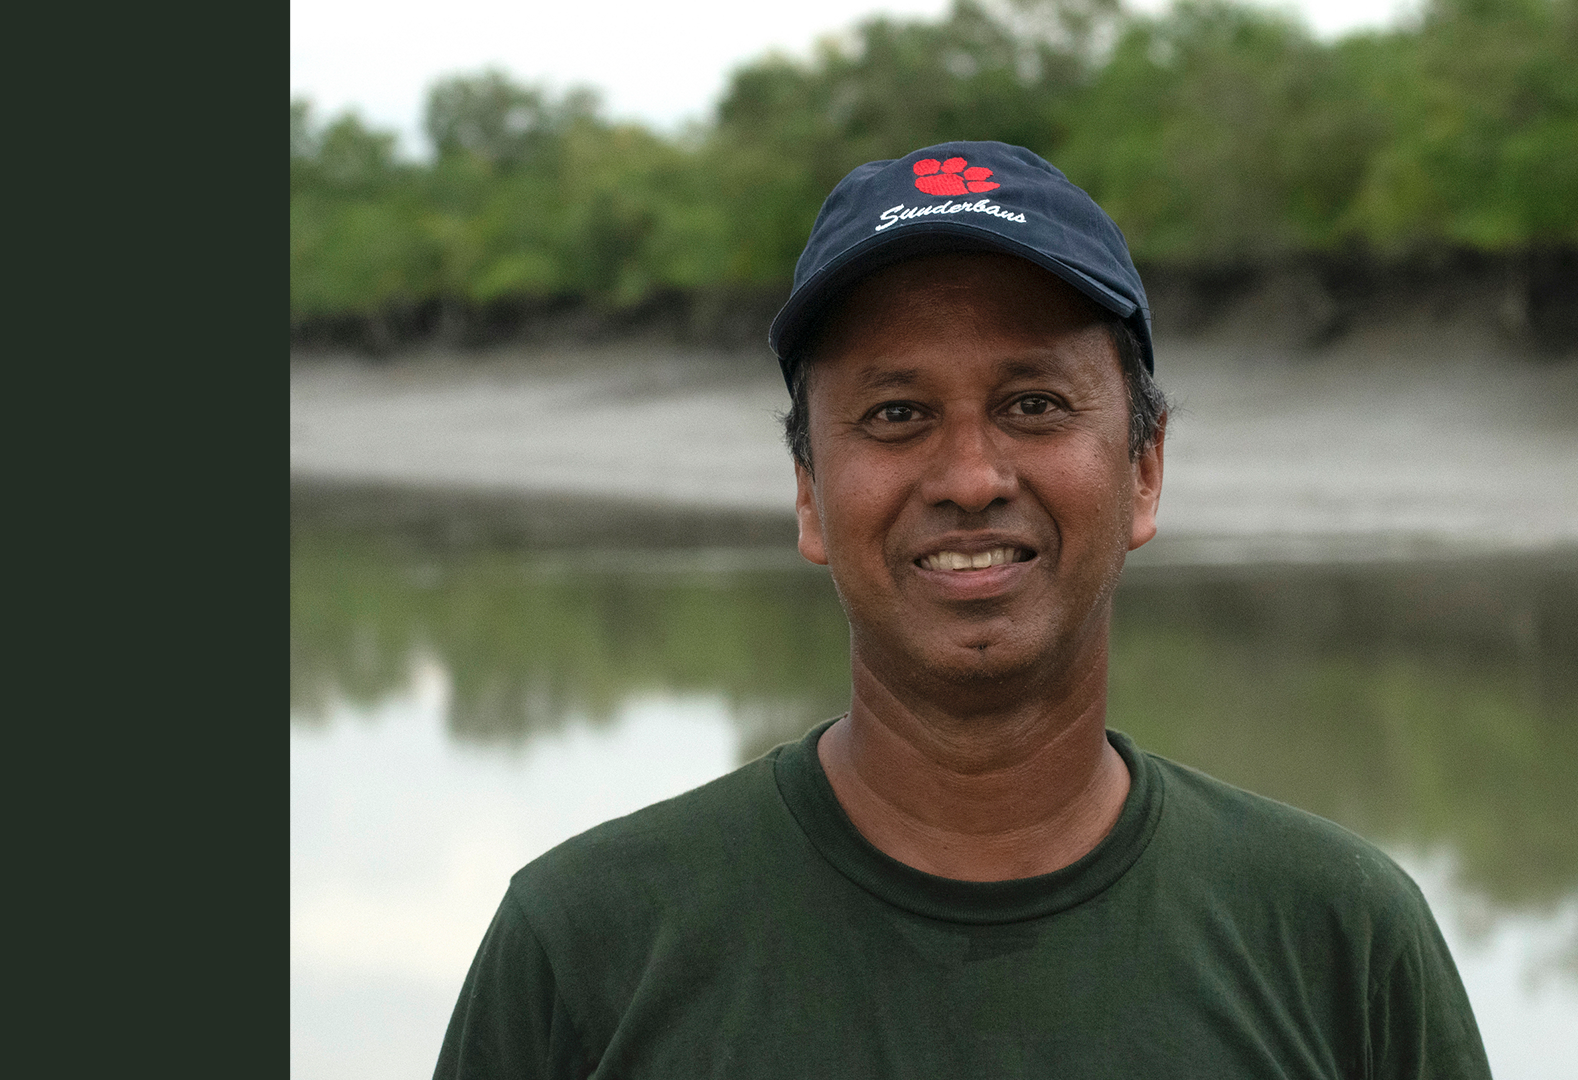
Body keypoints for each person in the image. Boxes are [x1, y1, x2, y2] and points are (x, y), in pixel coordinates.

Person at [433, 141, 1491, 1079]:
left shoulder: (1339, 936)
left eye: (1034, 405)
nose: (972, 476)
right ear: (808, 492)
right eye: (897, 414)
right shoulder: (585, 946)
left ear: (1145, 469)